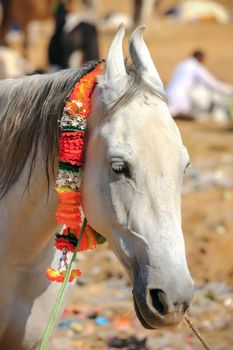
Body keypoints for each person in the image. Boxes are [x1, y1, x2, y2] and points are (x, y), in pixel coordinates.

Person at [166, 50, 233, 120]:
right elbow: (213, 83)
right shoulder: (195, 67)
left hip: (169, 93)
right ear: (199, 57)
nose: (204, 61)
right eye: (203, 58)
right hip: (180, 98)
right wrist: (229, 89)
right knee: (173, 114)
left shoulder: (183, 64)